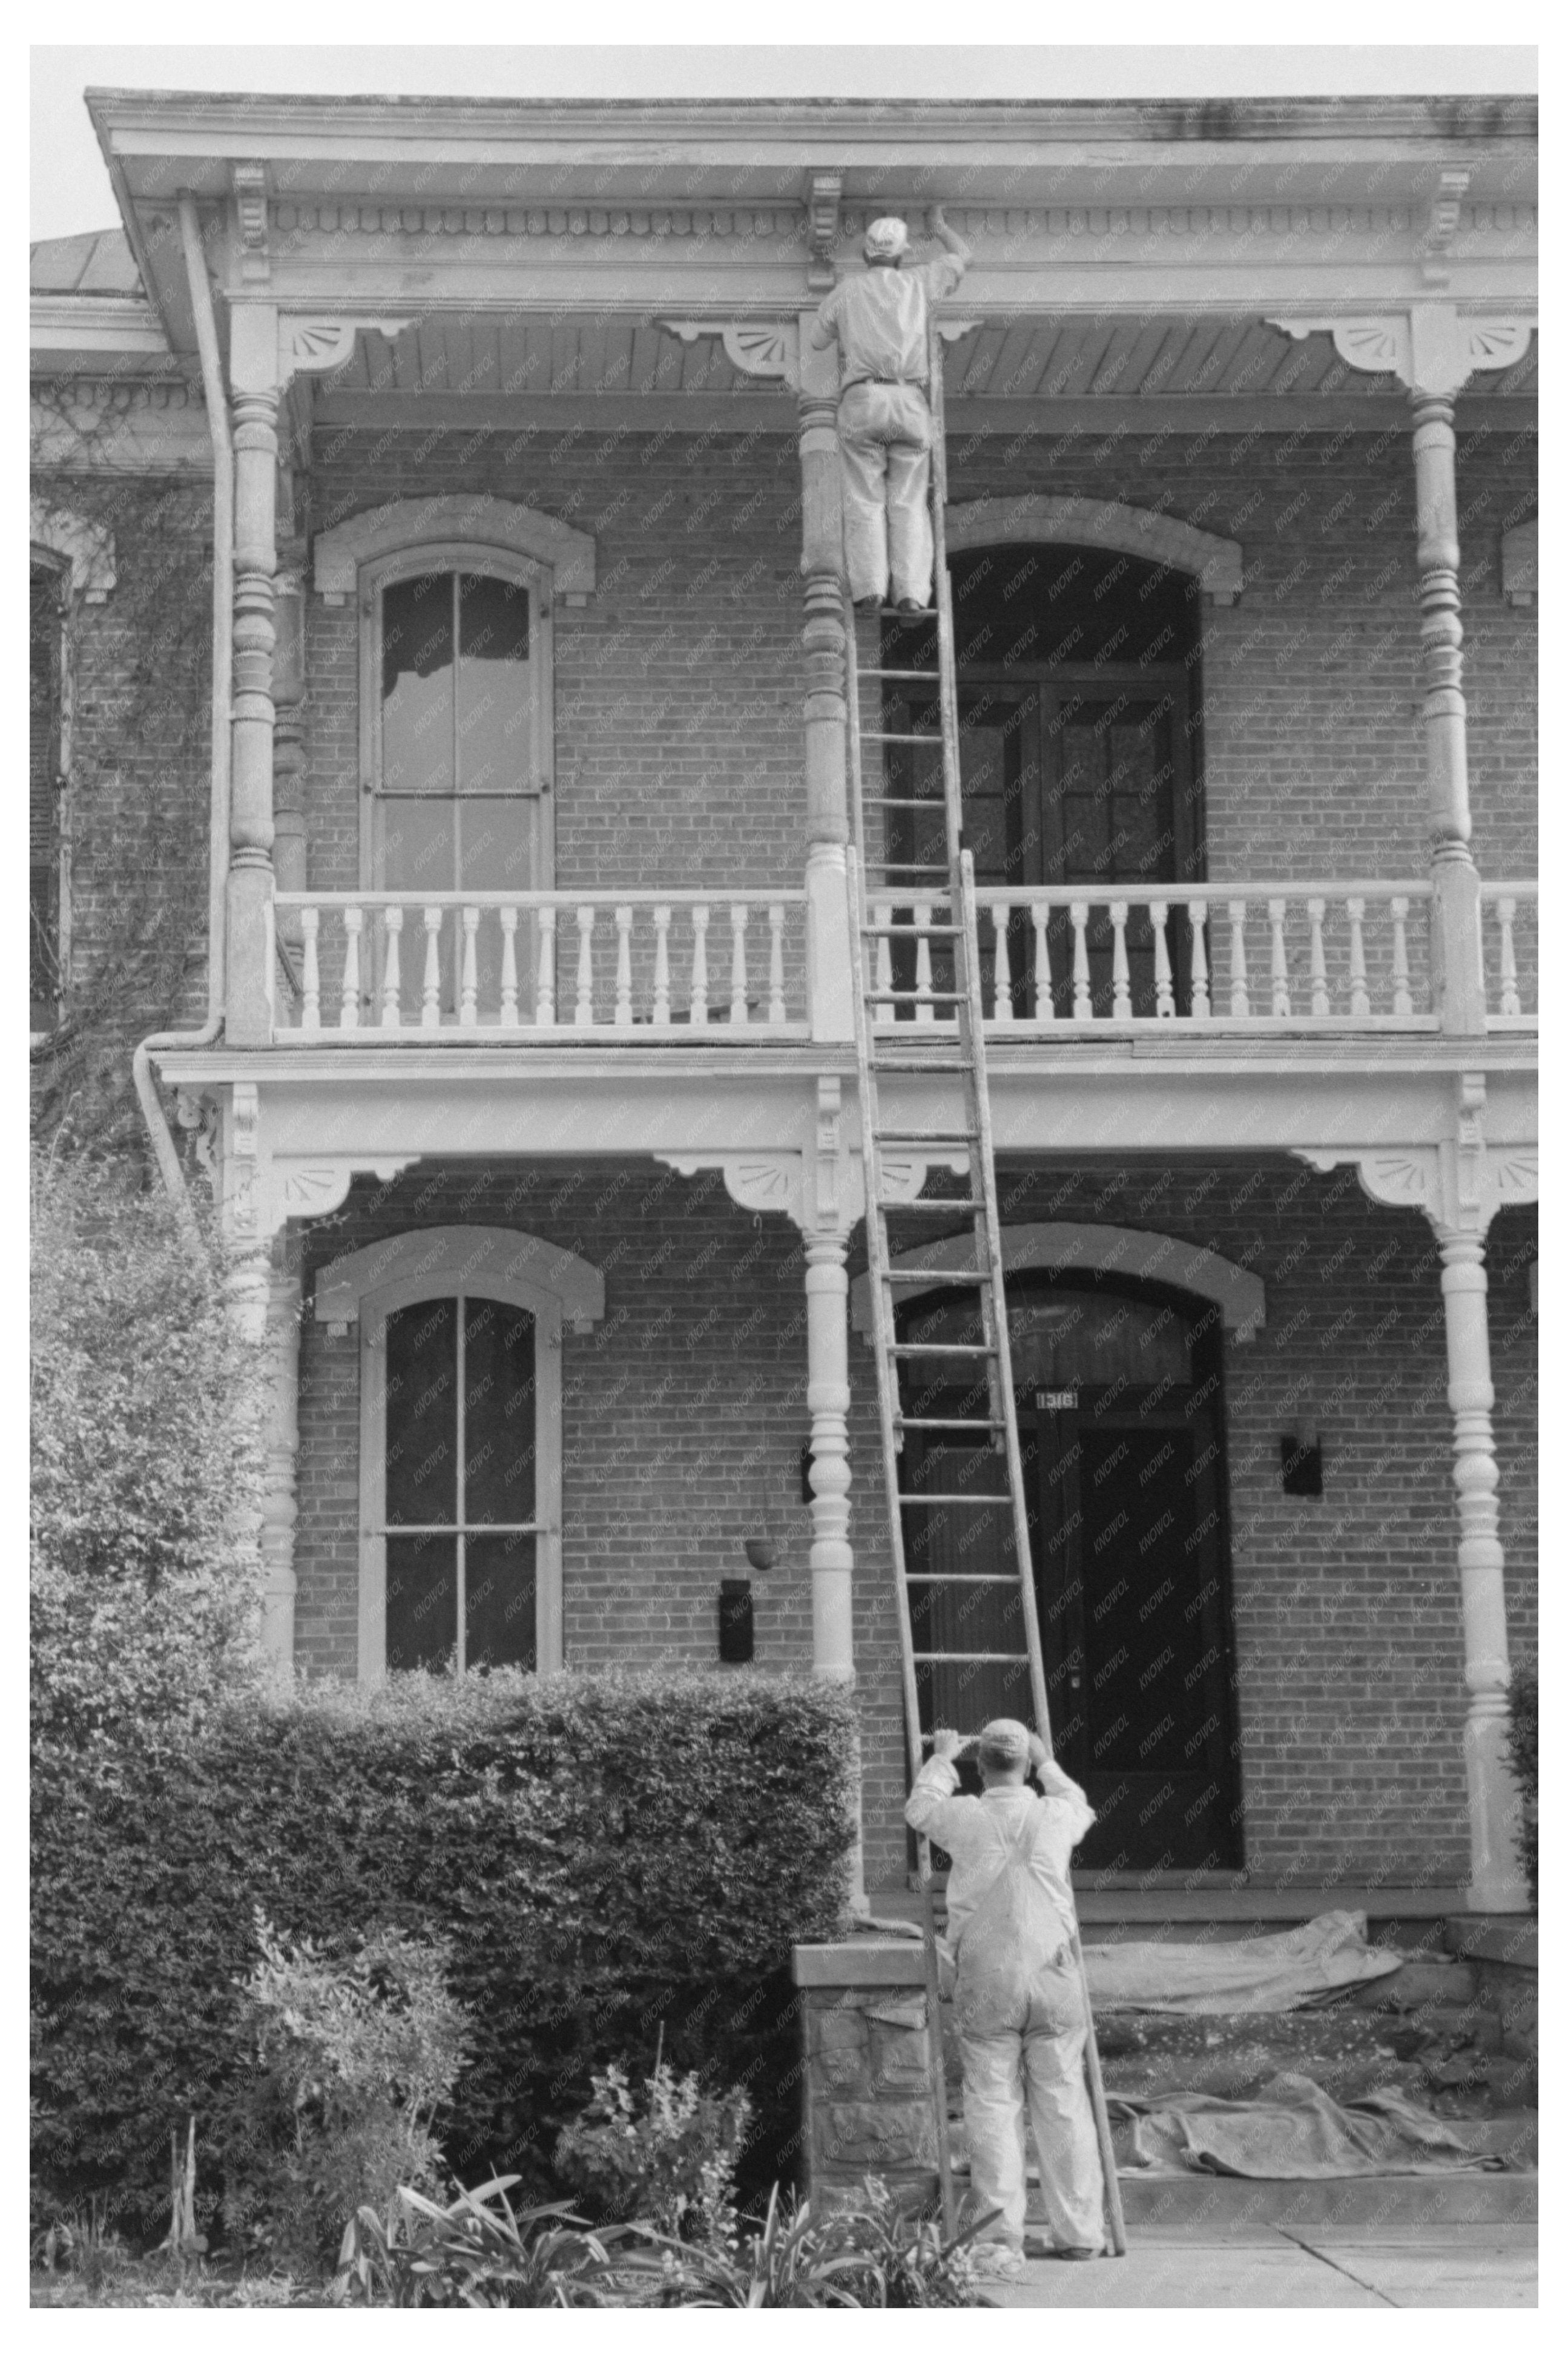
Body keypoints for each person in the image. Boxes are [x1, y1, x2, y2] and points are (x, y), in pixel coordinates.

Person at [905, 1718, 1105, 2277]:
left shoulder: (966, 1814)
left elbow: (919, 1809)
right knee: (1064, 2101)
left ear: (982, 1765)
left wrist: (942, 1757)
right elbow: (1080, 1802)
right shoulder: (1055, 1815)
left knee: (993, 2103)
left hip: (988, 1977)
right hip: (1055, 1974)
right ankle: (1081, 2232)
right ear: (1022, 1764)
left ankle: (999, 2238)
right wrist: (1048, 1762)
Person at [809, 207, 972, 615]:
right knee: (909, 501)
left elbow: (815, 339)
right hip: (909, 400)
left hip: (863, 401)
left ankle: (869, 589)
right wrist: (939, 229)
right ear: (902, 255)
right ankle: (913, 593)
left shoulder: (848, 290)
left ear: (866, 256)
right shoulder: (919, 282)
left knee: (865, 498)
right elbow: (965, 256)